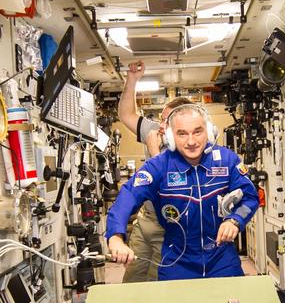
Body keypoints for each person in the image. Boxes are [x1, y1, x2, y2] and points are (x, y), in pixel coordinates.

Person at [105, 103, 259, 280]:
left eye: (197, 132)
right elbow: (127, 196)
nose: (191, 141)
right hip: (177, 261)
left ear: (209, 132)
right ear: (170, 136)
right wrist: (116, 237)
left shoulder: (226, 160)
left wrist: (235, 220)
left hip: (222, 259)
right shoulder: (159, 166)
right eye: (182, 134)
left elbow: (250, 198)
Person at [113, 61, 194, 282]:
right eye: (161, 118)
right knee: (132, 279)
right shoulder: (157, 130)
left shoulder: (191, 145)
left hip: (168, 225)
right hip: (145, 221)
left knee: (157, 284)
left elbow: (169, 187)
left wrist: (153, 149)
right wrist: (132, 80)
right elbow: (126, 114)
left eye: (166, 120)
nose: (160, 125)